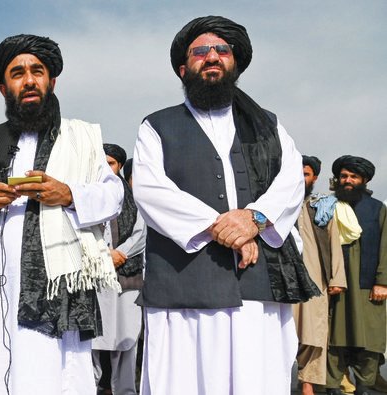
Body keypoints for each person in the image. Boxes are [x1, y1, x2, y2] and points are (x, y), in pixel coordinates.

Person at [132, 15, 319, 395]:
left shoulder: (268, 125)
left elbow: (290, 179)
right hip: (184, 283)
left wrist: (255, 218)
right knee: (184, 380)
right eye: (201, 51)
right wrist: (227, 230)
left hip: (258, 283)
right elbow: (151, 191)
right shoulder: (157, 126)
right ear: (184, 68)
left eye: (221, 50)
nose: (212, 57)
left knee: (259, 378)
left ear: (235, 62)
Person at [0, 34, 123, 394]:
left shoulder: (80, 137)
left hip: (57, 290)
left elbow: (113, 195)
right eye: (17, 73)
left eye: (37, 71)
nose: (28, 80)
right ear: (3, 86)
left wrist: (68, 193)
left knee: (54, 377)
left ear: (51, 80)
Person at [326, 155, 386, 395]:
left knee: (369, 337)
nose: (347, 180)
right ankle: (333, 385)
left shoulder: (377, 209)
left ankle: (364, 384)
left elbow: (385, 246)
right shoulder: (327, 206)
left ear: (364, 179)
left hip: (366, 286)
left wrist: (382, 282)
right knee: (332, 338)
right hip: (334, 285)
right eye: (343, 176)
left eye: (353, 176)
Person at [92, 143, 146, 395]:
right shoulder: (88, 194)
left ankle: (125, 390)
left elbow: (141, 232)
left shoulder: (136, 198)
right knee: (91, 338)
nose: (106, 168)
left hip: (127, 275)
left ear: (120, 166)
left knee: (126, 338)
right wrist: (102, 255)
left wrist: (119, 254)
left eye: (111, 163)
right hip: (93, 275)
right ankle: (89, 387)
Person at [291, 155, 346, 395]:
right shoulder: (278, 204)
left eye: (306, 174)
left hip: (315, 278)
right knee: (282, 331)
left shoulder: (321, 207)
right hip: (283, 279)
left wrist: (337, 279)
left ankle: (307, 383)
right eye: (297, 173)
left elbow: (334, 242)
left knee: (314, 332)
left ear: (314, 177)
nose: (301, 178)